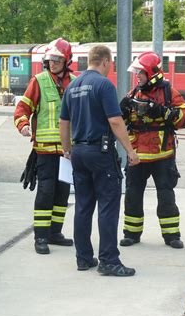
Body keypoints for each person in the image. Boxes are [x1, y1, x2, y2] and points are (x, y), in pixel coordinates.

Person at [59, 45, 140, 277]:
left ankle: (83, 258)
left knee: (83, 206)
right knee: (107, 206)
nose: (111, 67)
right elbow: (115, 121)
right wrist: (131, 152)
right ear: (104, 61)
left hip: (79, 153)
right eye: (111, 63)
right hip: (100, 153)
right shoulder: (104, 85)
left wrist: (67, 150)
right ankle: (109, 260)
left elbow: (63, 123)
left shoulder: (72, 86)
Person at [118, 51, 185, 249]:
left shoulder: (168, 92)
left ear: (151, 73)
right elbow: (119, 124)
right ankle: (131, 234)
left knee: (166, 196)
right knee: (132, 195)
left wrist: (161, 110)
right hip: (138, 156)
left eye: (140, 72)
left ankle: (171, 235)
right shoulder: (133, 94)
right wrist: (121, 110)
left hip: (163, 156)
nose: (137, 76)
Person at [14, 37, 75, 255]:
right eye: (50, 59)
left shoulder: (75, 82)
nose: (53, 62)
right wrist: (22, 125)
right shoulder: (38, 81)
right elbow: (23, 108)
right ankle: (40, 236)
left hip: (67, 152)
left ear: (67, 60)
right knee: (46, 192)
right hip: (45, 151)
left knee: (62, 193)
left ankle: (54, 233)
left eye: (58, 59)